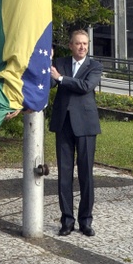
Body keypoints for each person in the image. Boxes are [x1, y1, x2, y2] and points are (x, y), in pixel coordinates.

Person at [49, 29, 103, 237]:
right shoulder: (61, 63)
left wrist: (62, 78)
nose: (82, 47)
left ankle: (86, 220)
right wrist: (47, 63)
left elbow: (85, 86)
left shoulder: (94, 66)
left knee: (86, 174)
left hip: (86, 126)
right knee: (64, 175)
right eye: (78, 43)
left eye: (85, 44)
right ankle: (67, 220)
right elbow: (51, 82)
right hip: (64, 125)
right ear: (70, 45)